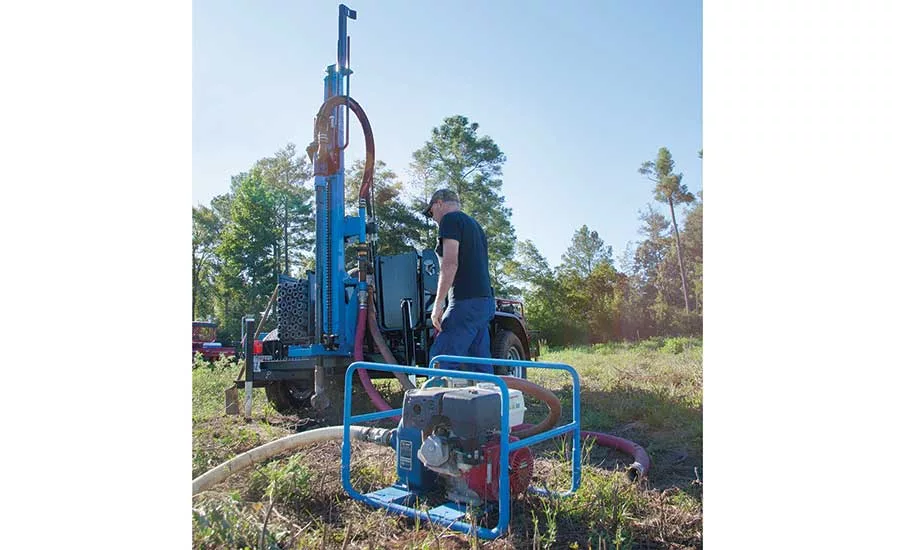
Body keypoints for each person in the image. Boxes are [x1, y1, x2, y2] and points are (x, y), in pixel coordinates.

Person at [423, 188, 495, 374]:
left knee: (441, 359)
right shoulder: (474, 225)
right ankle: (489, 401)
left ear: (439, 203)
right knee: (478, 365)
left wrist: (438, 304)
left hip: (465, 302)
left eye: (431, 212)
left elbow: (449, 264)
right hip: (484, 302)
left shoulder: (450, 220)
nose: (433, 218)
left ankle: (436, 402)